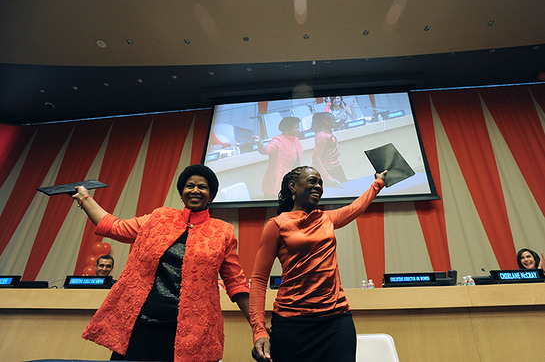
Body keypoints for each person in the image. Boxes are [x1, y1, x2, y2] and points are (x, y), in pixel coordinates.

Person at [72, 164, 250, 362]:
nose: (195, 190)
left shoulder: (223, 232)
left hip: (190, 334)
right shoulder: (159, 218)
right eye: (190, 185)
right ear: (182, 192)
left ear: (211, 195)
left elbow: (236, 283)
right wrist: (84, 198)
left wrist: (258, 326)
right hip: (140, 325)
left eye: (203, 187)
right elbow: (114, 227)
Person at [249, 165, 387, 362]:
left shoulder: (326, 219)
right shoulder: (276, 224)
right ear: (292, 186)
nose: (318, 186)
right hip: (292, 323)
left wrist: (378, 183)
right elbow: (259, 279)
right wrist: (259, 330)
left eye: (321, 183)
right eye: (313, 181)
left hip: (336, 320)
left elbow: (357, 207)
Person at [254, 116, 303, 198]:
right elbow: (266, 150)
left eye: (298, 127)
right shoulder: (278, 140)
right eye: (296, 128)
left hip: (291, 182)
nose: (298, 130)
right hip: (276, 183)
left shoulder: (296, 140)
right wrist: (260, 143)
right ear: (287, 129)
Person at [311, 111, 347, 186]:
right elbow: (316, 159)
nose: (334, 121)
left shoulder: (328, 132)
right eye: (332, 120)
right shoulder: (322, 137)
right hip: (328, 169)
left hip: (335, 166)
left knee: (345, 186)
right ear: (325, 122)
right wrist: (327, 177)